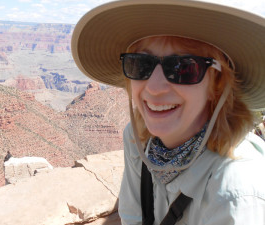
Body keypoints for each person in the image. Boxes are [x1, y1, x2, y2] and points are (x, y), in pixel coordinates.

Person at [71, 0, 265, 224]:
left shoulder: (236, 193)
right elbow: (133, 218)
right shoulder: (138, 141)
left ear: (217, 84)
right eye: (140, 63)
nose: (154, 87)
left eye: (183, 67)